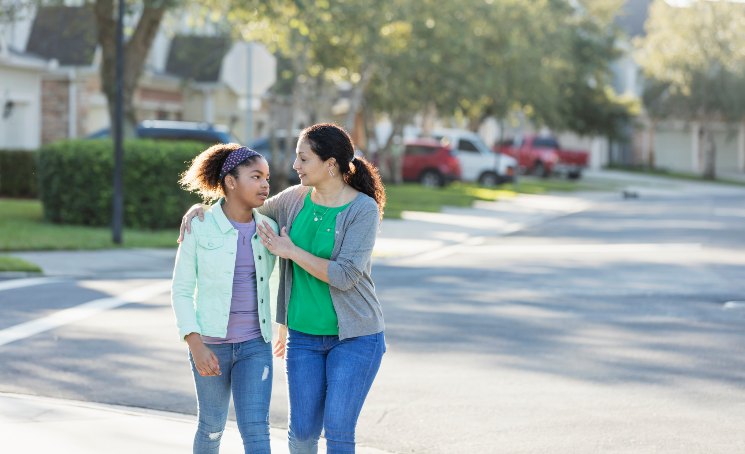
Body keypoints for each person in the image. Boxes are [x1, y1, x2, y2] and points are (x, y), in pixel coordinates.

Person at [180, 123, 387, 454]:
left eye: (303, 159)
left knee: (337, 429)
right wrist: (201, 210)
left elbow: (346, 275)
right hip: (304, 337)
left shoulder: (362, 209)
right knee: (302, 435)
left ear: (330, 164)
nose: (295, 166)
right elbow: (240, 206)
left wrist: (291, 250)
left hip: (355, 336)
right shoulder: (293, 200)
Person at [171, 143, 278, 454]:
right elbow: (180, 289)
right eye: (256, 177)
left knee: (257, 430)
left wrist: (282, 326)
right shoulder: (200, 225)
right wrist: (195, 343)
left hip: (255, 345)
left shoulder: (268, 229)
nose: (265, 184)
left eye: (267, 178)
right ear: (231, 181)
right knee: (212, 427)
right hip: (210, 346)